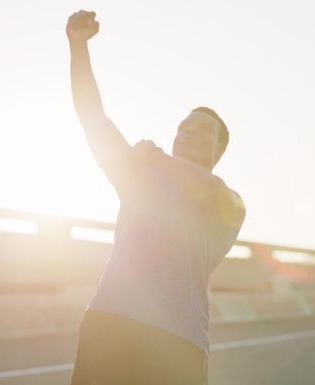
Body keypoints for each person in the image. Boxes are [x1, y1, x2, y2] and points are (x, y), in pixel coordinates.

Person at [66, 10, 246, 385]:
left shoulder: (227, 202)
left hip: (177, 339)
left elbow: (210, 190)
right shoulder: (141, 177)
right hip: (109, 320)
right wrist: (78, 48)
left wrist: (156, 157)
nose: (188, 132)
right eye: (184, 127)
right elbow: (93, 118)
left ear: (218, 152)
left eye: (201, 130)